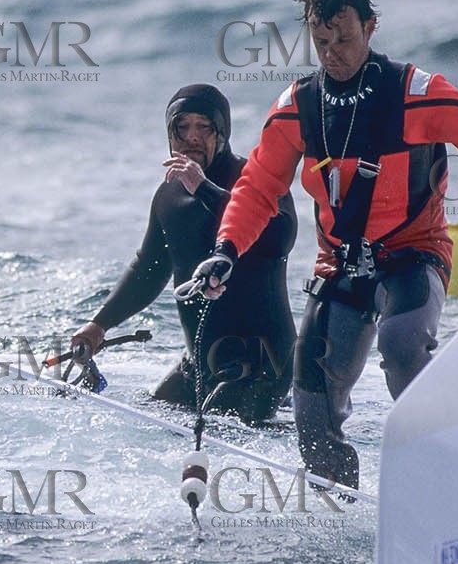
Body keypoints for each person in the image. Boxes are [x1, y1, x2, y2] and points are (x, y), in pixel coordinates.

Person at [184, 0, 458, 487]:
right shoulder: (298, 107)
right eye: (321, 42)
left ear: (370, 27)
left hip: (413, 256)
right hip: (340, 267)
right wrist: (226, 249)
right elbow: (257, 188)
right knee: (309, 396)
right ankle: (339, 508)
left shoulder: (414, 93)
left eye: (344, 39)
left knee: (402, 344)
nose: (332, 54)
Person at [71, 85, 296, 425]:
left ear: (222, 133)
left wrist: (204, 189)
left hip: (262, 364)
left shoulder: (254, 180)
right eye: (182, 127)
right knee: (145, 428)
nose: (192, 136)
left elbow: (278, 238)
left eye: (203, 126)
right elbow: (148, 269)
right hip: (197, 366)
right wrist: (99, 325)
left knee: (221, 437)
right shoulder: (169, 194)